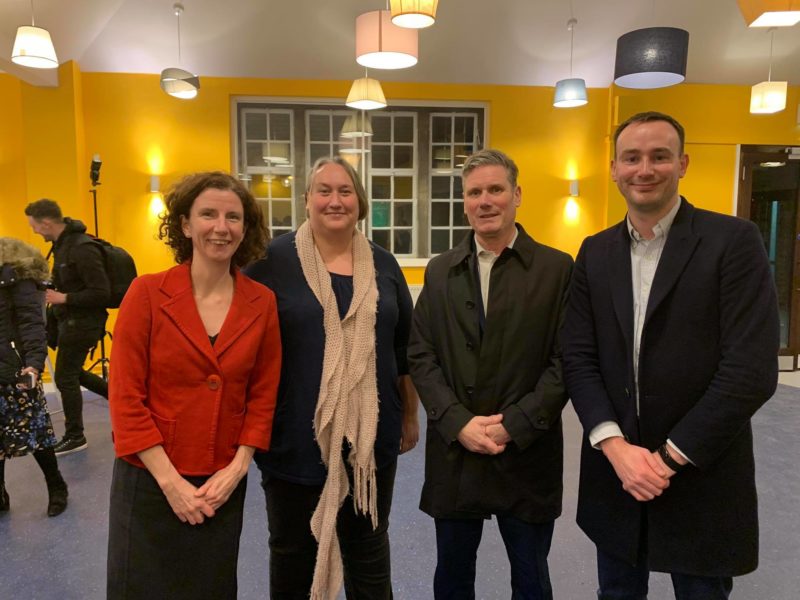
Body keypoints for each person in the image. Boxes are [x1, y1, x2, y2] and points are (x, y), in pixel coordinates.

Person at [562, 111, 780, 600]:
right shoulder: (594, 253)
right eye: (631, 158)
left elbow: (750, 371)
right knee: (617, 592)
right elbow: (578, 357)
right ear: (614, 167)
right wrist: (616, 449)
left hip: (701, 468)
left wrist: (665, 460)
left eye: (659, 156)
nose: (645, 169)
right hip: (615, 470)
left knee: (701, 593)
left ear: (682, 164)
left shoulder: (733, 242)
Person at [244, 156, 417, 600]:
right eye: (324, 190)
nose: (334, 200)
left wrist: (410, 418)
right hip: (295, 439)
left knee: (370, 552)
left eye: (345, 191)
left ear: (359, 201)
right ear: (306, 200)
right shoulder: (269, 262)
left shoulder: (383, 264)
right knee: (292, 554)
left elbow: (403, 349)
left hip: (370, 440)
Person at [106, 172, 281, 599]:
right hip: (149, 478)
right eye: (208, 214)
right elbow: (125, 395)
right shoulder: (146, 293)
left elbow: (263, 392)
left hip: (219, 481)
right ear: (185, 225)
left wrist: (238, 468)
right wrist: (170, 483)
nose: (221, 227)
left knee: (211, 587)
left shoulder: (262, 301)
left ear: (245, 229)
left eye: (233, 217)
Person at [408, 149, 573, 600]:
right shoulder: (440, 271)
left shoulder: (557, 270)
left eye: (495, 189)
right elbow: (420, 354)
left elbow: (568, 361)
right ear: (464, 202)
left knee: (531, 577)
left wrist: (513, 425)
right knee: (453, 577)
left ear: (516, 195)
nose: (485, 201)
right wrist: (456, 421)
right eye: (474, 192)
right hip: (456, 453)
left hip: (527, 451)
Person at [24, 199, 110, 455]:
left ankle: (75, 435)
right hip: (70, 322)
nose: (35, 232)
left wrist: (65, 298)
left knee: (65, 376)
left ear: (46, 223)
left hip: (83, 324)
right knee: (73, 373)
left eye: (35, 226)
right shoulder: (62, 247)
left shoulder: (81, 248)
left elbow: (101, 292)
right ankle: (121, 399)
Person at [0, 237, 69, 517]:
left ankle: (57, 486)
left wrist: (33, 365)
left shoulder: (17, 277)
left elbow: (31, 322)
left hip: (15, 368)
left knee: (36, 435)